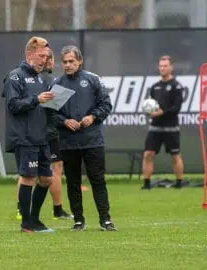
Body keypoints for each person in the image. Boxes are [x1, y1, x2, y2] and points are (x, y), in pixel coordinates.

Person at [52, 45, 116, 231]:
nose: (68, 65)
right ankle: (78, 220)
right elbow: (50, 114)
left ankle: (105, 220)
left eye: (72, 61)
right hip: (68, 142)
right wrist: (64, 122)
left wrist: (92, 116)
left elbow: (106, 105)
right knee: (73, 183)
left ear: (80, 61)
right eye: (65, 62)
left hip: (92, 140)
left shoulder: (92, 80)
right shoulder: (58, 85)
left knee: (97, 180)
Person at [2, 37, 55, 233]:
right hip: (24, 138)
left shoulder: (42, 78)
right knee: (28, 178)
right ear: (30, 54)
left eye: (47, 56)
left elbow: (41, 105)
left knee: (47, 179)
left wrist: (52, 103)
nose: (44, 60)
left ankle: (35, 219)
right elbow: (13, 105)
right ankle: (26, 223)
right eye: (41, 55)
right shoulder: (15, 77)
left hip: (41, 137)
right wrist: (36, 99)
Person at [15, 48, 73, 221]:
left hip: (50, 131)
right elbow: (18, 104)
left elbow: (55, 109)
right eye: (45, 58)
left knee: (49, 172)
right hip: (37, 133)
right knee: (28, 174)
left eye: (49, 58)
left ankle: (54, 209)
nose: (48, 61)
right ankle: (26, 211)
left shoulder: (53, 80)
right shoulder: (31, 79)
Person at [141, 55, 184, 190]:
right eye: (161, 66)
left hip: (171, 127)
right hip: (155, 127)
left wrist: (162, 112)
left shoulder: (177, 86)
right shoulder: (155, 87)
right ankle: (146, 184)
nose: (163, 68)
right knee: (148, 154)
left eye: (165, 66)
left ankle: (178, 183)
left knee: (175, 155)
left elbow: (176, 108)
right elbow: (152, 106)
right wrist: (150, 112)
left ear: (171, 67)